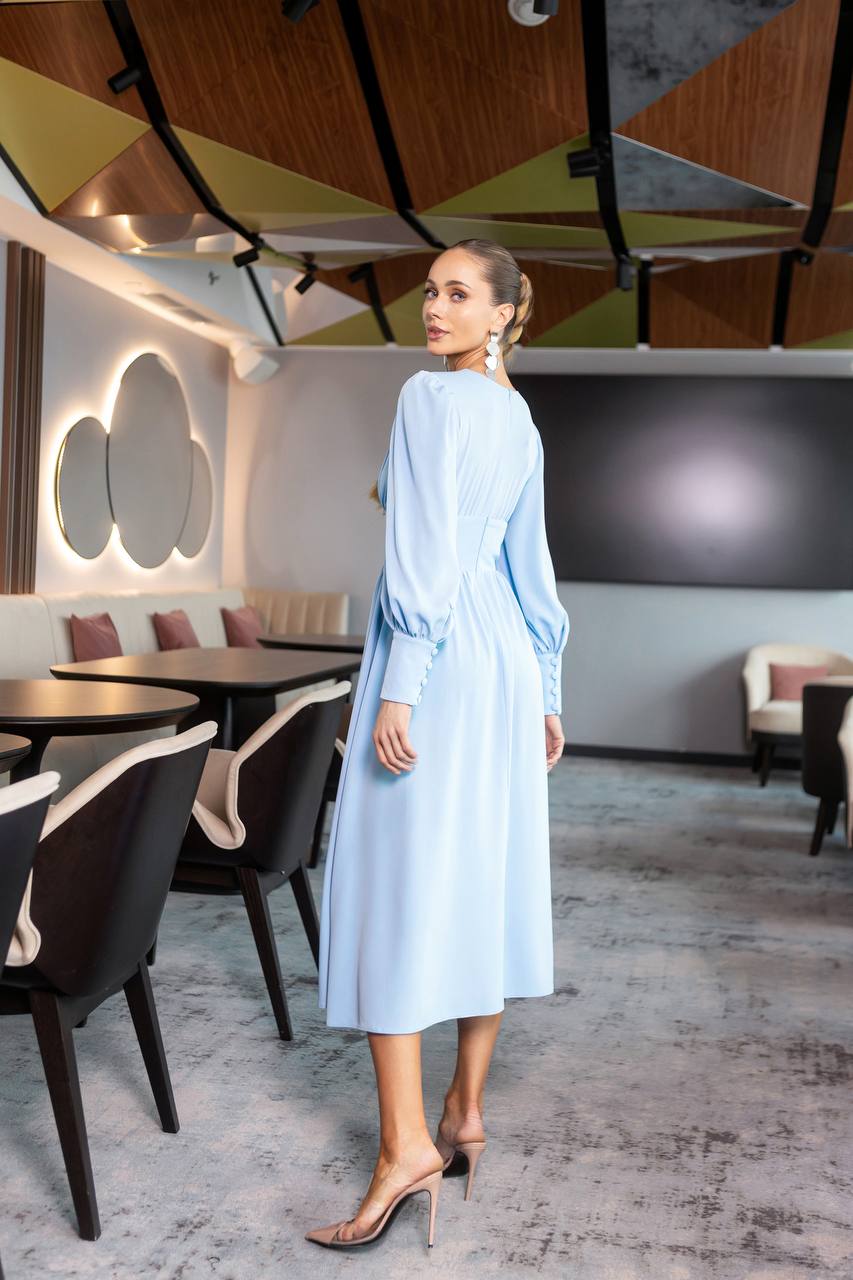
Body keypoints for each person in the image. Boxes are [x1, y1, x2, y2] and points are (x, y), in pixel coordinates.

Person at [305, 238, 570, 1250]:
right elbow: (530, 564)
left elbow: (417, 550)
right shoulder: (517, 416)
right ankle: (464, 1110)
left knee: (393, 886)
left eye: (459, 294)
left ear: (505, 311)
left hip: (441, 661)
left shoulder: (429, 398)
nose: (434, 308)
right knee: (482, 875)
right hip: (501, 666)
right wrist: (545, 685)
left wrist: (401, 682)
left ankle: (406, 1142)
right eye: (430, 291)